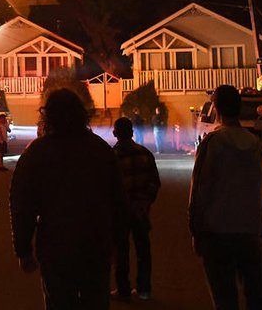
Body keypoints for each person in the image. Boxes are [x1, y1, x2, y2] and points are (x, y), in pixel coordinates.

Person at [11, 88, 126, 310]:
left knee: (60, 302)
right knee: (95, 302)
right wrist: (118, 243)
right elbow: (118, 200)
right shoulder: (100, 150)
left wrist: (23, 249)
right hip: (95, 243)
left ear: (47, 116)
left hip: (55, 246)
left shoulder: (36, 153)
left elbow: (21, 205)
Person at [188, 85, 262, 310]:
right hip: (249, 232)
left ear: (216, 108)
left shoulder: (212, 142)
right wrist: (258, 225)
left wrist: (195, 229)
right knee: (255, 296)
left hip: (217, 233)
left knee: (224, 298)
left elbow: (200, 190)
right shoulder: (255, 145)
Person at [111, 117, 160, 301]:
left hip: (120, 212)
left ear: (115, 133)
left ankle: (123, 289)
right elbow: (154, 182)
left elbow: (107, 187)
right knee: (143, 250)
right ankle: (144, 289)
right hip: (140, 210)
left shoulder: (112, 157)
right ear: (132, 132)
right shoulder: (144, 153)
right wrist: (145, 203)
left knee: (121, 251)